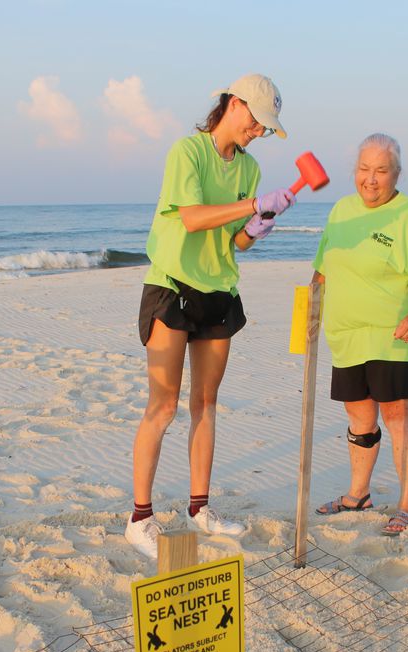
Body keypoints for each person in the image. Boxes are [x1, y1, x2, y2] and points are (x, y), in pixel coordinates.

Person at [125, 74, 295, 560]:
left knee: (206, 401)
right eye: (258, 121)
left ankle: (199, 509)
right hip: (173, 285)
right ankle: (139, 519)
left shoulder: (250, 169)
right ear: (234, 104)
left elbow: (234, 241)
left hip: (219, 289)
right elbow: (194, 218)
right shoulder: (188, 152)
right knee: (163, 405)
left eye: (268, 128)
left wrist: (258, 227)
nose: (260, 132)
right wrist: (252, 205)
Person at [312, 134, 408, 536]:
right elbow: (322, 269)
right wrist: (307, 316)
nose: (371, 179)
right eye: (364, 170)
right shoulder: (341, 211)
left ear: (396, 174)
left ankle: (406, 504)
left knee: (399, 414)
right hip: (345, 334)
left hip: (393, 335)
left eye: (381, 171)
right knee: (359, 415)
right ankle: (358, 494)